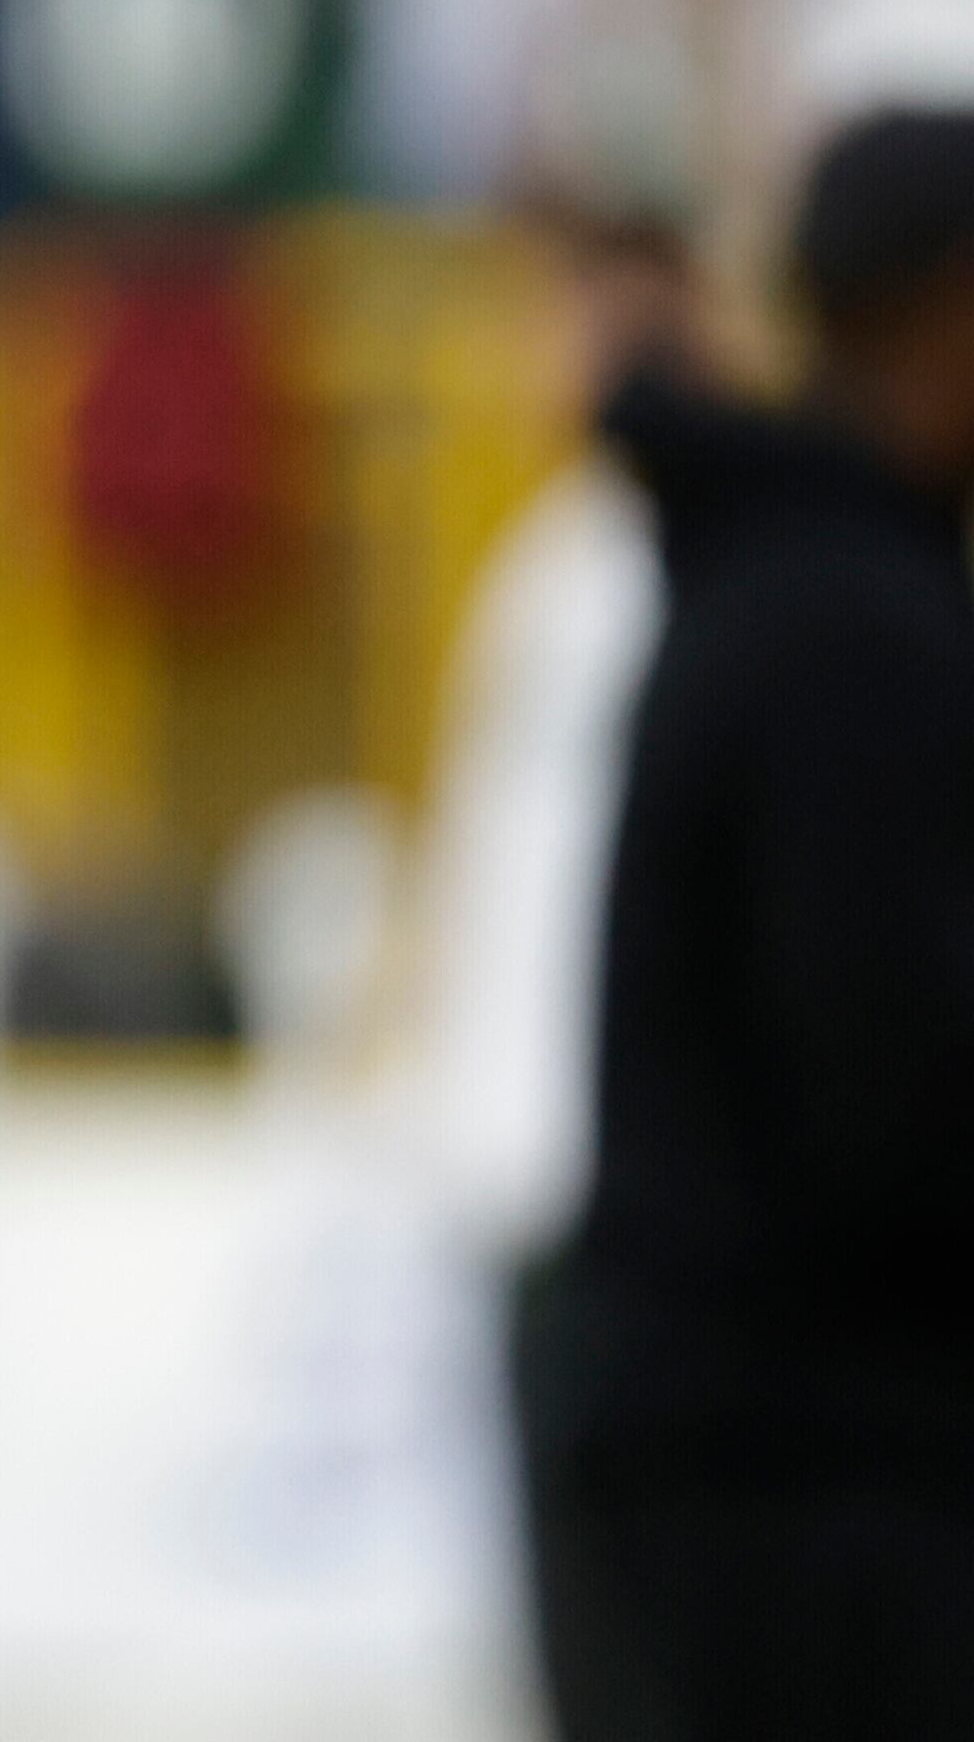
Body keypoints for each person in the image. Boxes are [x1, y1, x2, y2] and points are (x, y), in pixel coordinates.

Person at [519, 108, 974, 1742]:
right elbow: (886, 1093)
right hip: (801, 1493)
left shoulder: (765, 574)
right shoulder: (854, 627)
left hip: (718, 1452)